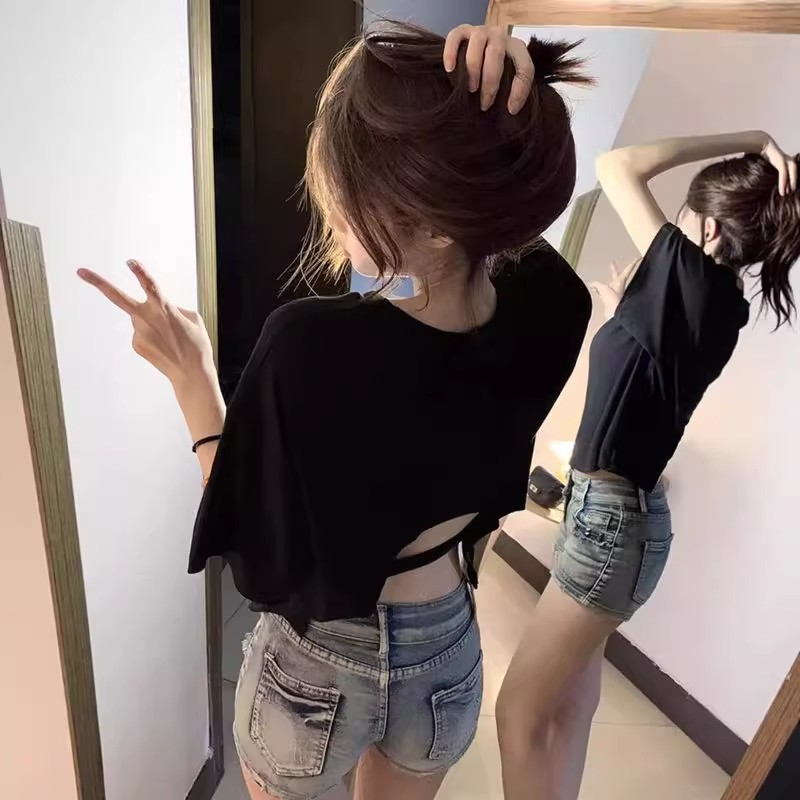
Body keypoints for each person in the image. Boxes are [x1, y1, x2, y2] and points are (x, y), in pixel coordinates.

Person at [79, 23, 593, 800]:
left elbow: (260, 536)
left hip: (319, 662)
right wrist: (502, 126)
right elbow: (513, 232)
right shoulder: (555, 306)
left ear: (436, 221)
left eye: (353, 191)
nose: (335, 208)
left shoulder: (307, 346)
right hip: (447, 648)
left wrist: (192, 377)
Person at [495, 128, 800, 800]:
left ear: (710, 230)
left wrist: (754, 137)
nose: (674, 224)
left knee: (519, 712)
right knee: (569, 703)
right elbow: (644, 375)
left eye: (686, 214)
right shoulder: (715, 303)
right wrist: (619, 309)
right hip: (623, 521)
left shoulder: (692, 278)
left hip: (608, 526)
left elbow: (618, 165)